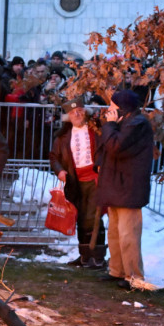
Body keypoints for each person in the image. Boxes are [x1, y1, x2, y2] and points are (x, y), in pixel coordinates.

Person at [96, 90, 155, 290]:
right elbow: (106, 147)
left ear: (122, 107)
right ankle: (117, 271)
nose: (109, 110)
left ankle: (134, 276)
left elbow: (116, 146)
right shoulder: (124, 122)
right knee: (114, 233)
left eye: (112, 106)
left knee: (128, 234)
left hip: (129, 187)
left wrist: (110, 125)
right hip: (116, 185)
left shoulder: (138, 124)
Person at [49, 99, 105, 268]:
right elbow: (54, 157)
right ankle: (85, 256)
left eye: (80, 110)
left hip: (94, 179)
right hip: (74, 181)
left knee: (94, 217)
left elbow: (104, 150)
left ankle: (98, 257)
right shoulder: (63, 137)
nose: (77, 114)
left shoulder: (96, 131)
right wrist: (60, 171)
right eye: (73, 112)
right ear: (68, 116)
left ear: (85, 112)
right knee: (80, 217)